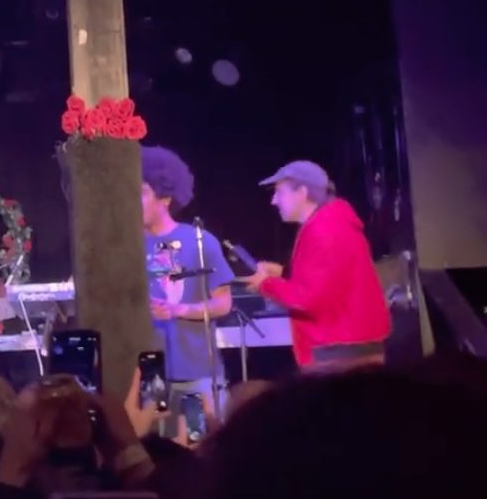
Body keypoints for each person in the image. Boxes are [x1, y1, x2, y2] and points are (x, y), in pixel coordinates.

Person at [242, 160, 391, 371]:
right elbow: (329, 278)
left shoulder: (324, 229)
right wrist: (285, 272)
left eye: (279, 193)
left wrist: (266, 284)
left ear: (302, 192)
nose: (274, 201)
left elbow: (307, 298)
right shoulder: (329, 222)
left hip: (340, 353)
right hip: (346, 347)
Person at [140, 146, 234, 419]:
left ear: (165, 197)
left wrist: (179, 310)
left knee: (198, 438)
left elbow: (223, 303)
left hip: (196, 372)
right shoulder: (126, 247)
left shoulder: (200, 241)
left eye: (141, 193)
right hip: (149, 373)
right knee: (156, 441)